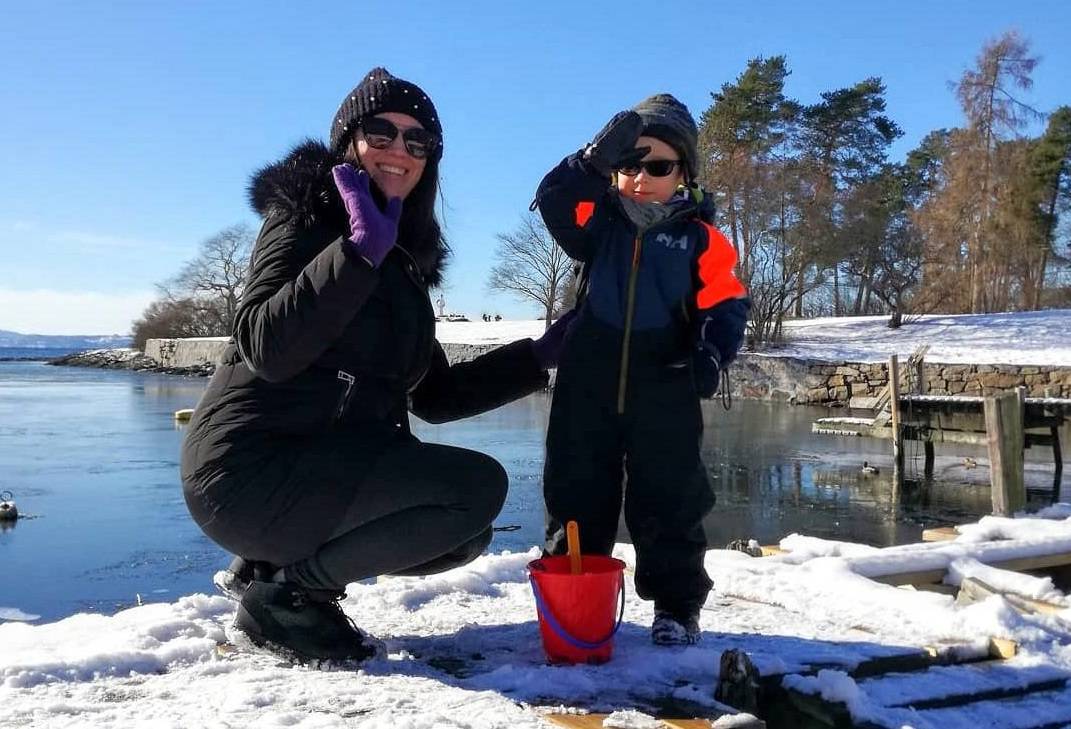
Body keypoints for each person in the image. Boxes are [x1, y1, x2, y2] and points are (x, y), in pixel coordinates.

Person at [181, 67, 573, 663]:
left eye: (417, 142)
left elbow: (435, 396)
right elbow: (267, 347)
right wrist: (356, 252)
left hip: (318, 465)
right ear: (349, 143)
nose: (399, 150)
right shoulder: (304, 219)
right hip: (248, 471)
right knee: (476, 487)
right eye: (381, 133)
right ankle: (288, 598)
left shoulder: (404, 261)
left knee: (465, 531)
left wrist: (540, 355)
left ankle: (267, 571)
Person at [534, 94, 750, 645]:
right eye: (627, 164)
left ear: (683, 172)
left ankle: (677, 607)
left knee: (670, 497)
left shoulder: (702, 238)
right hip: (588, 383)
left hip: (666, 382)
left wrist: (709, 352)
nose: (639, 178)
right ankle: (575, 598)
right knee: (575, 492)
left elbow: (726, 304)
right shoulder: (596, 222)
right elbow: (553, 200)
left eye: (657, 166)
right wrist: (588, 163)